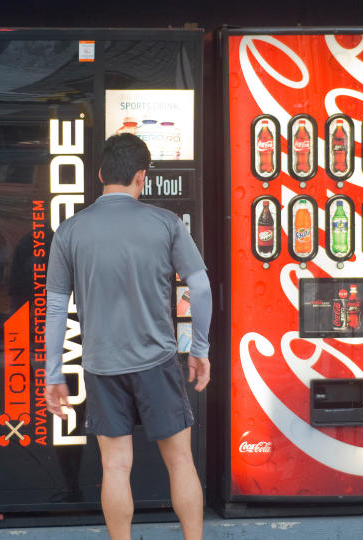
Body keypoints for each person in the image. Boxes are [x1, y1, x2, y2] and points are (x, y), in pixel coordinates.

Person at [44, 133, 212, 540]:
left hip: (101, 365)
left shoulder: (69, 231)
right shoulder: (166, 224)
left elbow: (53, 307)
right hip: (157, 362)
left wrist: (53, 373)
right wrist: (200, 348)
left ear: (101, 174)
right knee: (180, 462)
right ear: (142, 177)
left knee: (115, 466)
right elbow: (201, 288)